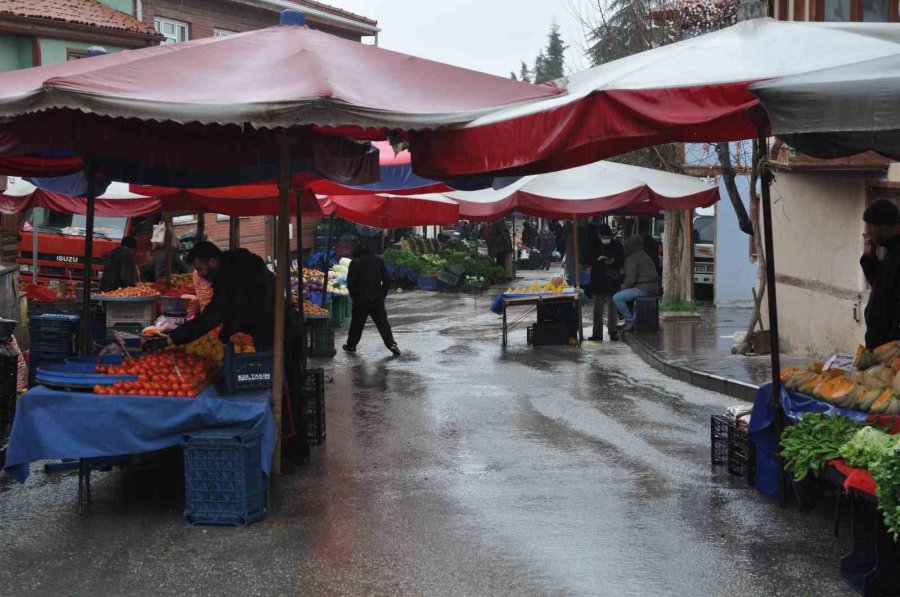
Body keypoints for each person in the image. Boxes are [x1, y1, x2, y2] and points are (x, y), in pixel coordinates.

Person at [143, 241, 276, 351]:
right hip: (271, 324)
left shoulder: (230, 276)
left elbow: (213, 315)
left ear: (212, 261)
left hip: (271, 329)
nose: (199, 275)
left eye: (200, 269)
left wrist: (170, 339)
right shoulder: (236, 265)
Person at [343, 245, 401, 355]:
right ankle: (391, 344)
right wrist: (382, 294)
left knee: (357, 323)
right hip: (376, 298)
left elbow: (351, 284)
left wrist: (355, 297)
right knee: (382, 323)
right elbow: (387, 280)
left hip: (361, 299)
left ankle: (351, 345)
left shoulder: (355, 263)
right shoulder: (378, 261)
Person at [861, 199, 900, 350]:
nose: (868, 231)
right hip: (879, 345)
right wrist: (869, 257)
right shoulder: (890, 251)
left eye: (871, 225)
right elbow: (880, 286)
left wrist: (891, 347)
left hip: (890, 350)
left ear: (885, 226)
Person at [613, 234, 660, 331]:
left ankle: (631, 320)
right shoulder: (644, 255)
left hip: (644, 288)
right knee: (627, 297)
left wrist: (622, 288)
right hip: (653, 287)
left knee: (617, 297)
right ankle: (629, 321)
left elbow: (631, 279)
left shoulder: (632, 258)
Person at [588, 224, 625, 341]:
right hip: (598, 281)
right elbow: (589, 260)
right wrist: (598, 261)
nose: (606, 239)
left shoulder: (617, 245)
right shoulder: (594, 245)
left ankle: (613, 332)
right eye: (604, 237)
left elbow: (621, 260)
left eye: (608, 237)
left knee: (612, 309)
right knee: (597, 310)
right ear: (599, 236)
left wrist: (611, 261)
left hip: (612, 281)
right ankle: (597, 333)